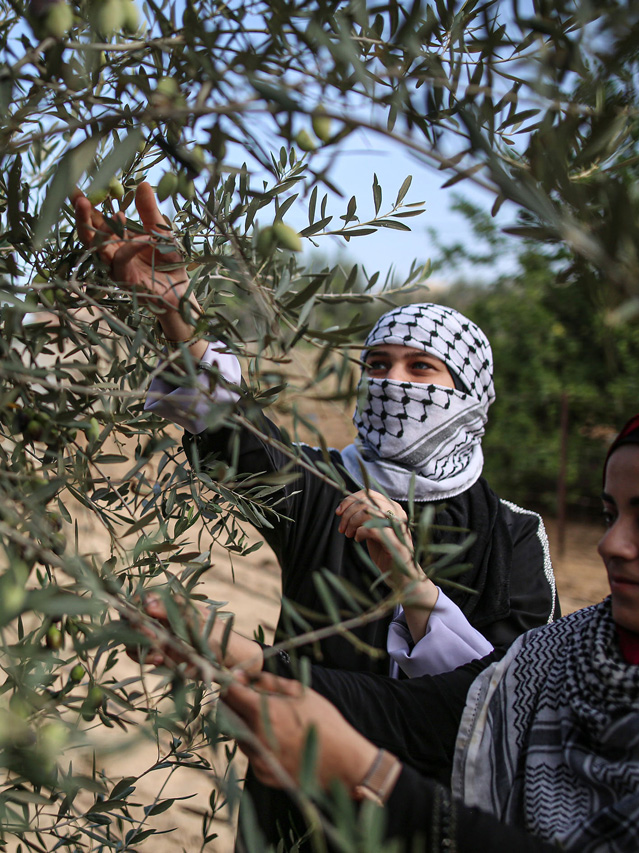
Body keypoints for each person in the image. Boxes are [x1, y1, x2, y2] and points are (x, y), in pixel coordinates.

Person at [75, 183, 558, 849]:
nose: (395, 383)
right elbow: (232, 431)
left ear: (470, 396)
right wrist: (176, 314)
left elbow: (508, 702)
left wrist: (414, 587)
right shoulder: (325, 484)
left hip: (429, 820)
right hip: (293, 811)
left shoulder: (513, 535)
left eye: (422, 369)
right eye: (380, 365)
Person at [211, 403, 639, 851]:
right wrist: (260, 664)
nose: (610, 545)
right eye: (610, 515)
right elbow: (450, 709)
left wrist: (378, 778)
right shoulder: (578, 647)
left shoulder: (510, 533)